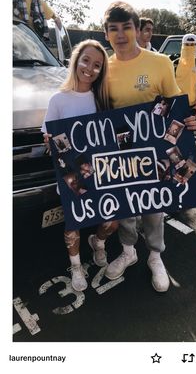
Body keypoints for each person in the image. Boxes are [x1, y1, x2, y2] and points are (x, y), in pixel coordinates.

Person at [103, 1, 196, 292]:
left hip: (155, 149)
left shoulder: (158, 63)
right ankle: (129, 251)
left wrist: (189, 121)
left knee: (154, 205)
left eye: (126, 27)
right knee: (125, 206)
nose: (120, 34)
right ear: (106, 34)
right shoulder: (104, 67)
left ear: (135, 29)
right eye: (113, 29)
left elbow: (175, 104)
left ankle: (156, 255)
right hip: (121, 150)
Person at [42, 40, 118, 291]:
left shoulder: (103, 99)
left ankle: (98, 242)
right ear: (75, 60)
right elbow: (49, 140)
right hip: (71, 174)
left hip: (102, 172)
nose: (90, 68)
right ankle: (75, 266)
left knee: (111, 222)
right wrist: (51, 141)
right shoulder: (58, 99)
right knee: (73, 224)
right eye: (86, 60)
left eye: (97, 65)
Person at [173, 34, 196, 114]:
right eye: (187, 44)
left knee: (190, 126)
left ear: (195, 45)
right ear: (182, 45)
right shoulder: (174, 64)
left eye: (192, 45)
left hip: (191, 106)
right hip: (175, 105)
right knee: (174, 127)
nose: (189, 47)